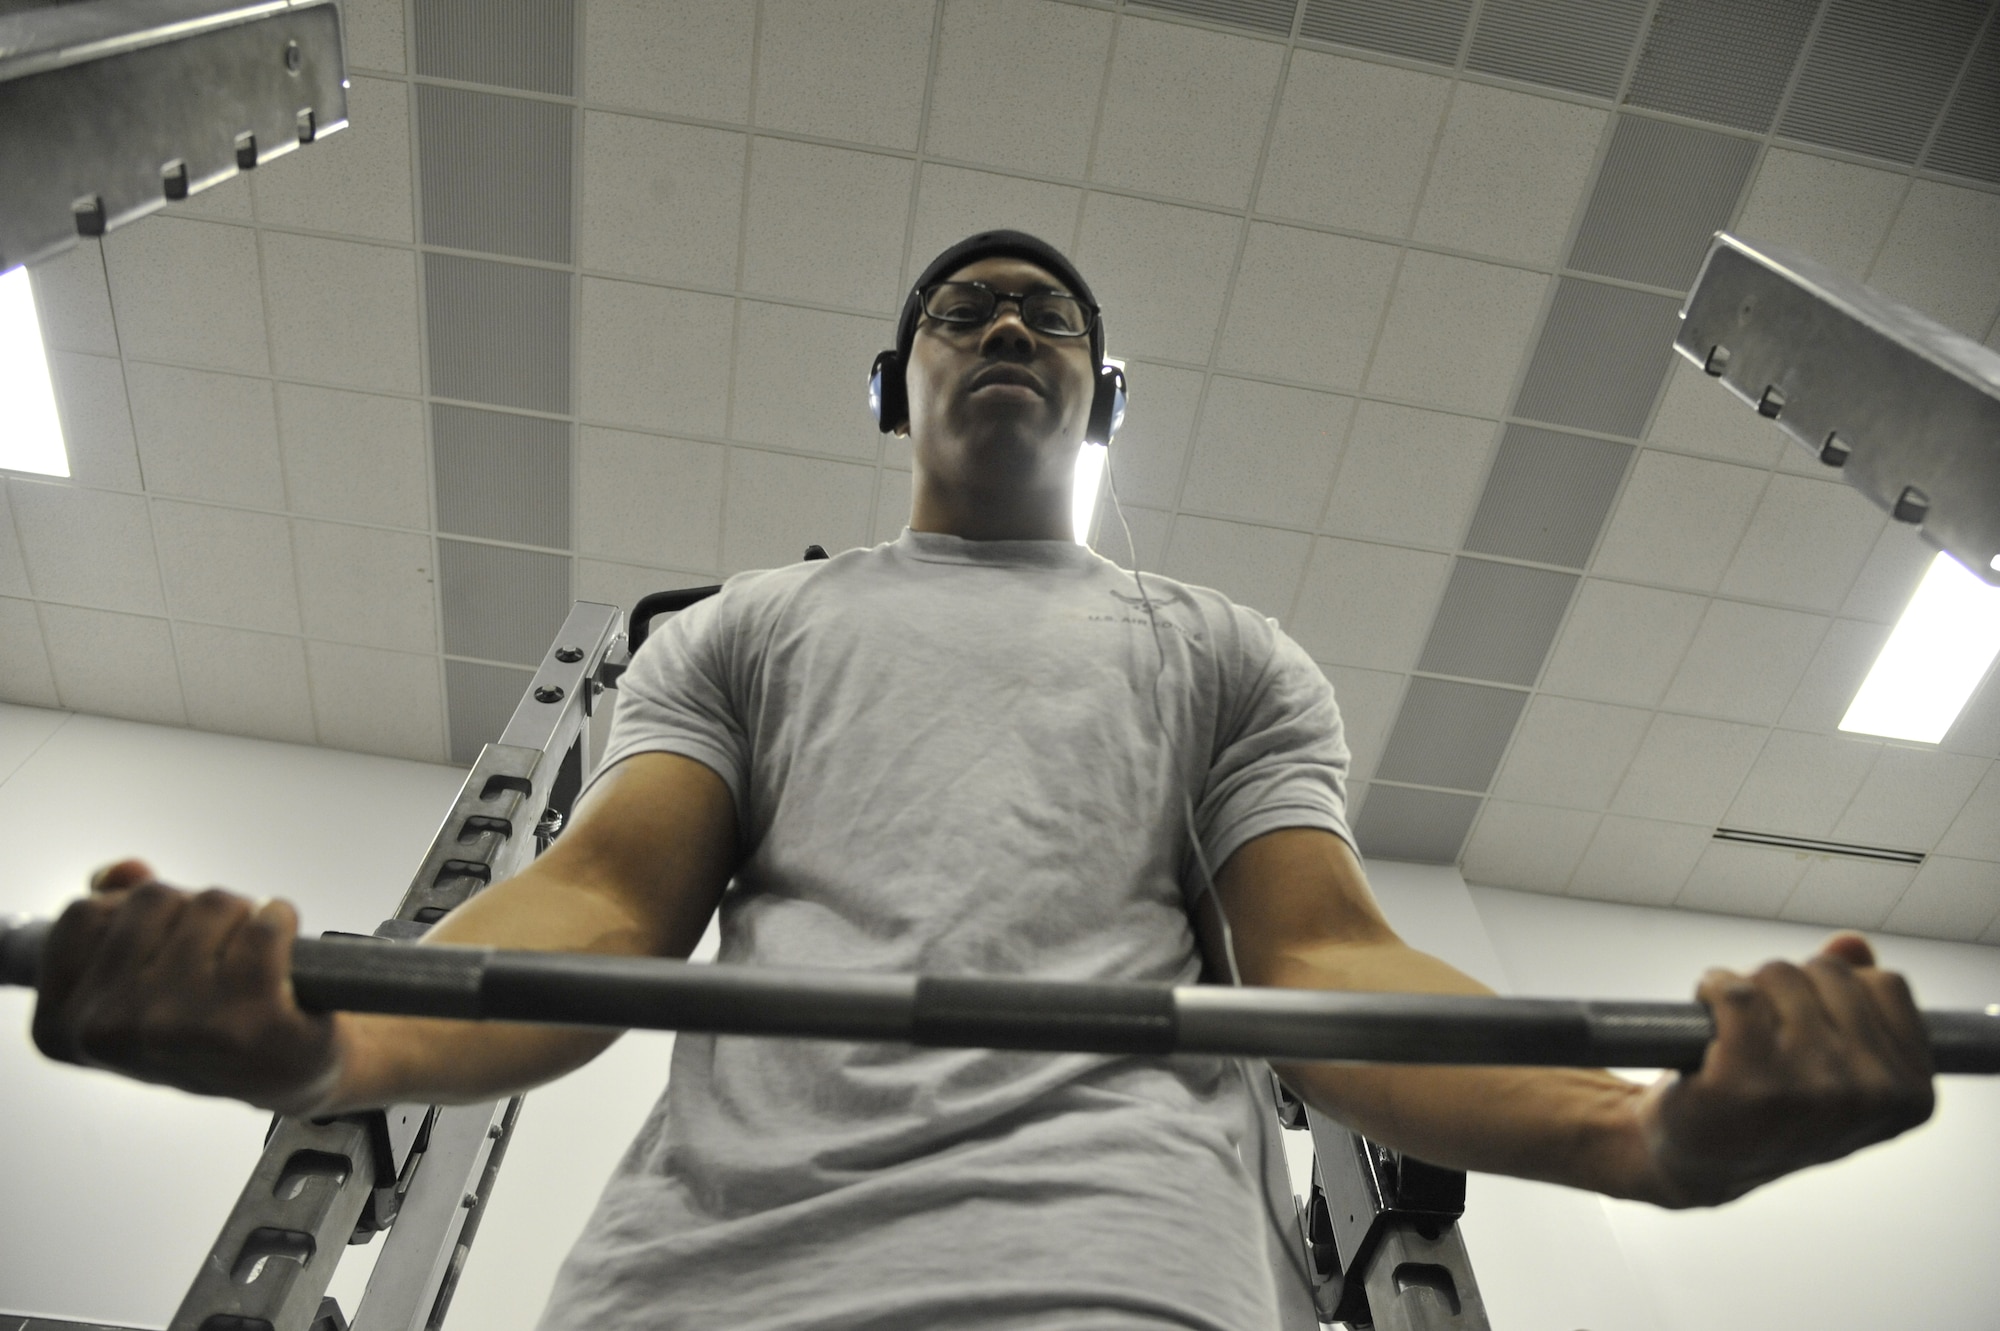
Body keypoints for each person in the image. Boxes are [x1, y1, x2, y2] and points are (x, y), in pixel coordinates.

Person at [31, 231, 1935, 1330]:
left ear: (1100, 400)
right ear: (894, 386)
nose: (1011, 325)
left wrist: (1635, 1135)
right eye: (966, 311)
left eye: (1052, 316)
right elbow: (601, 908)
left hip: (1108, 1273)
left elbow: (1326, 969)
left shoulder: (1221, 649)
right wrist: (326, 1041)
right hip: (695, 1287)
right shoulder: (744, 631)